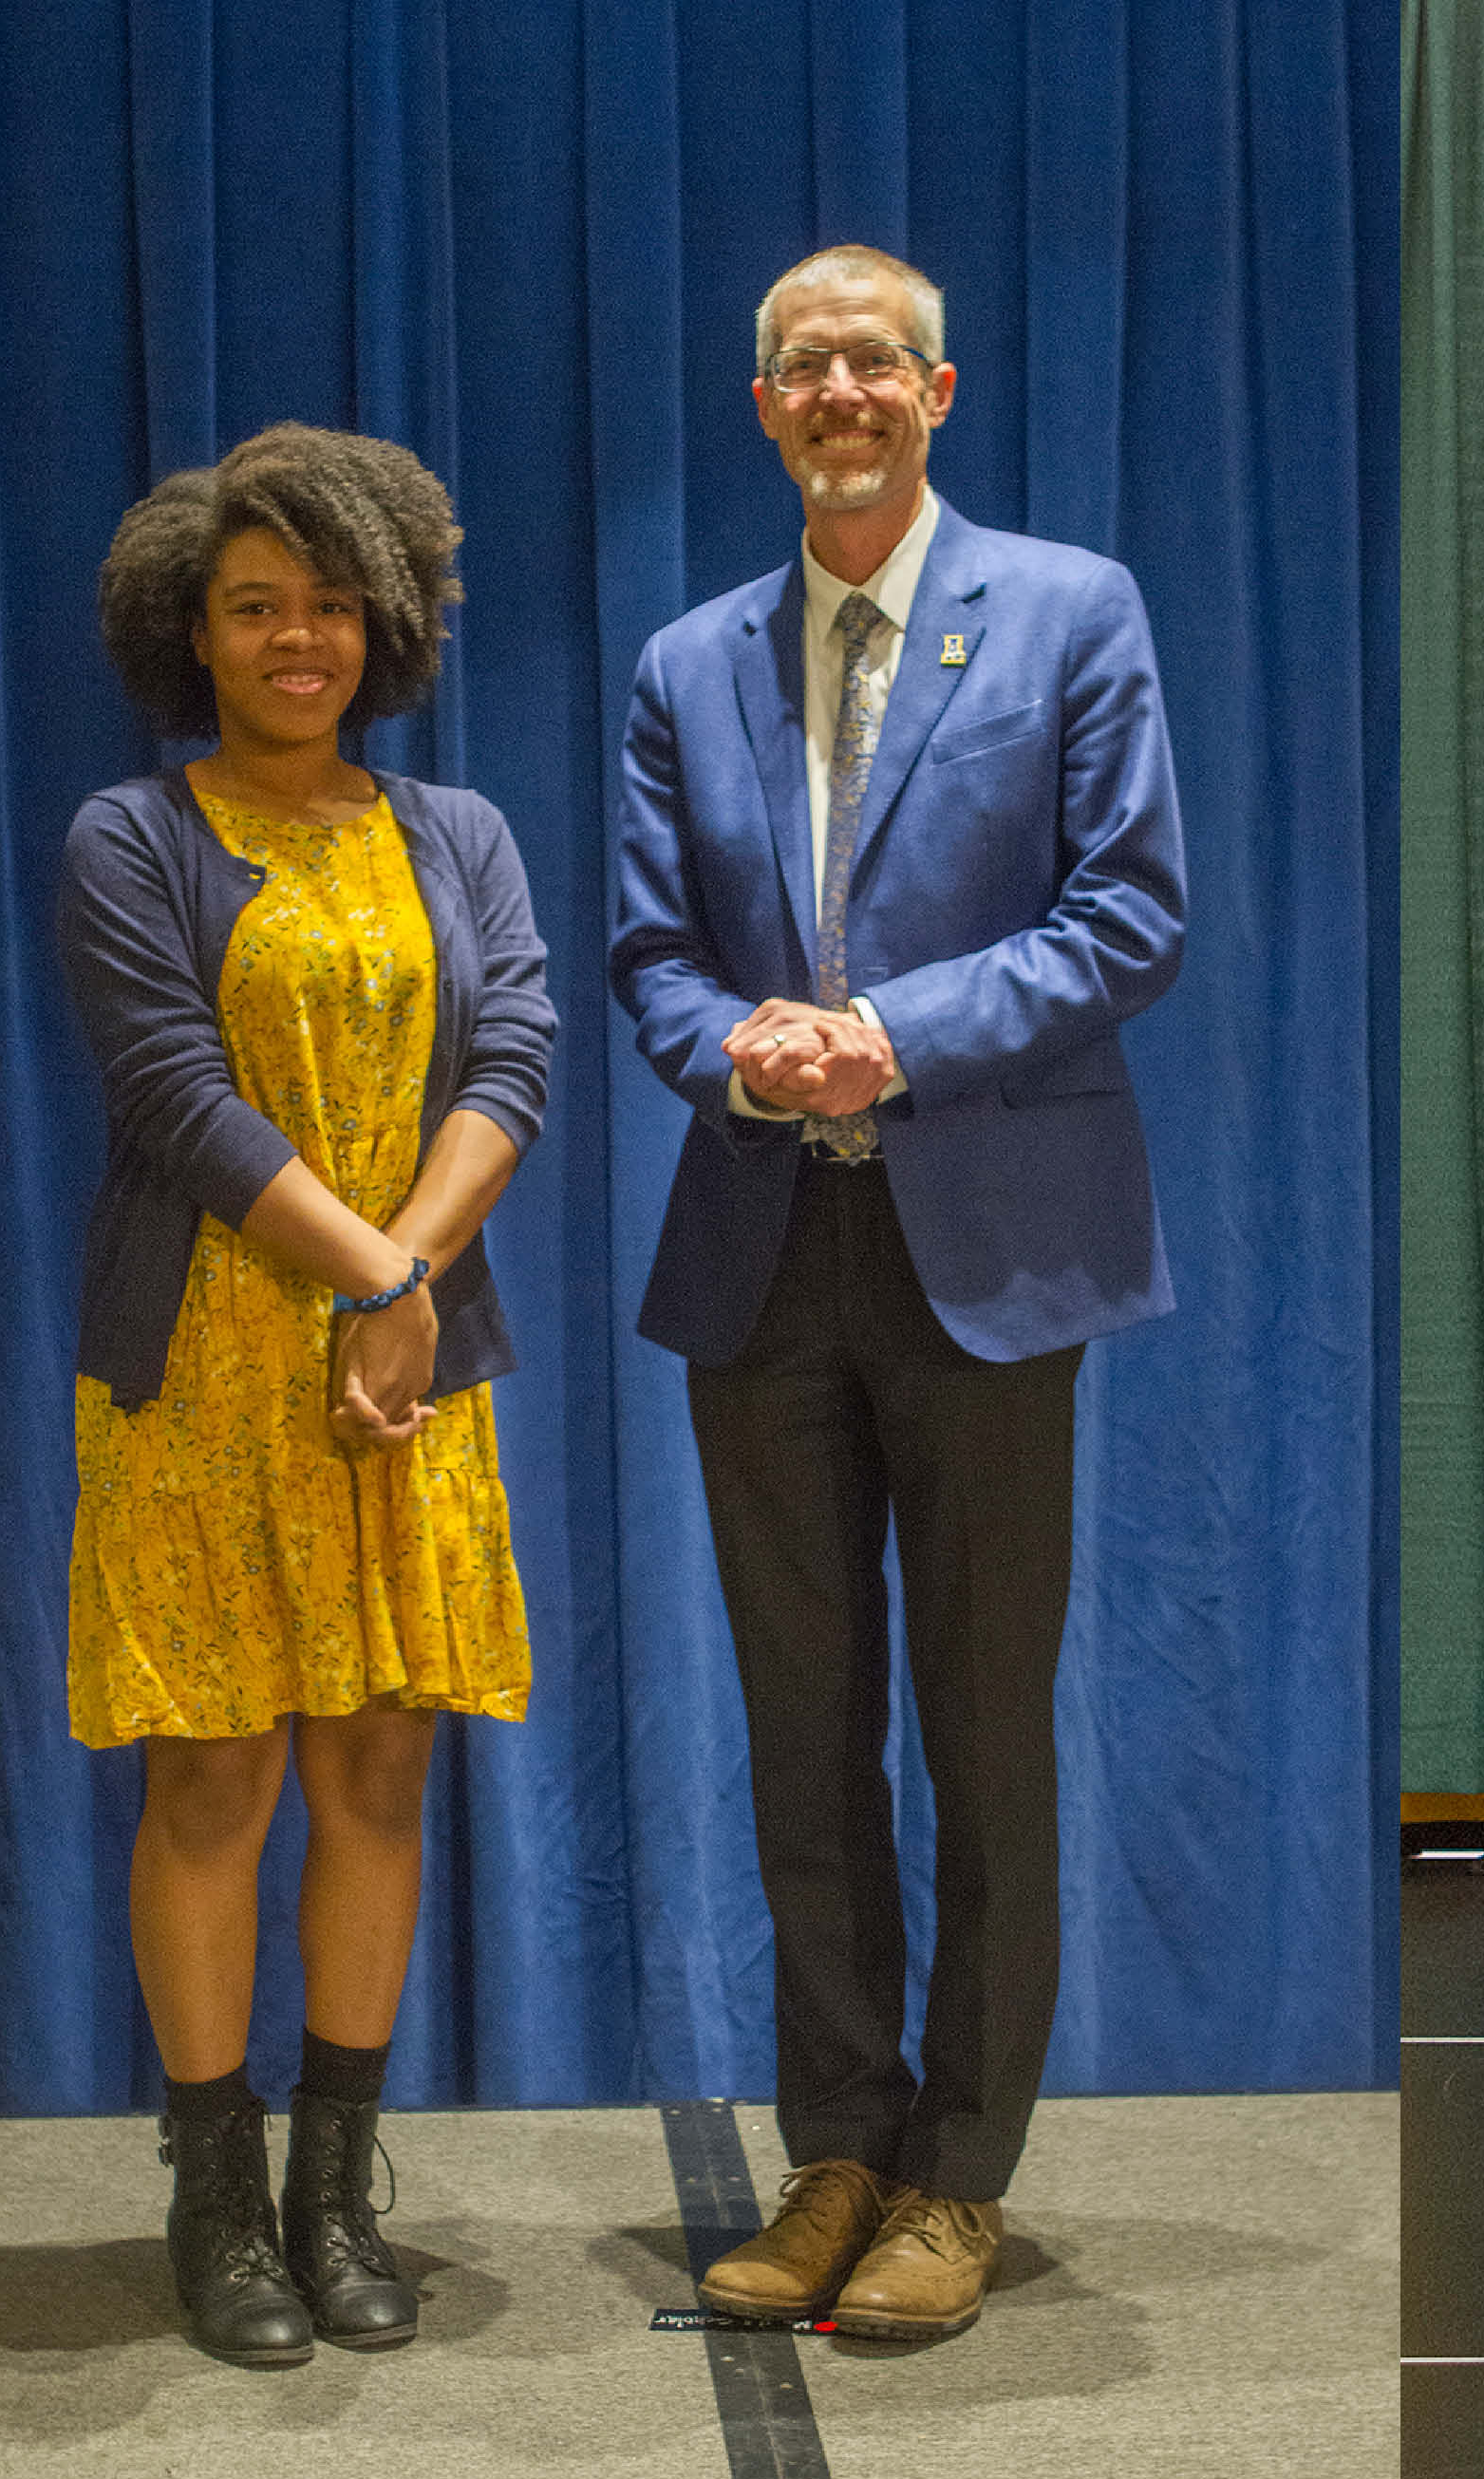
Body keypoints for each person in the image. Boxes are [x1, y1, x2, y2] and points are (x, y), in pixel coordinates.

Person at [611, 242, 1189, 2345]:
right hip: (767, 1248)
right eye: (804, 364)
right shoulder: (688, 658)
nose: (840, 388)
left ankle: (961, 2173)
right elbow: (648, 954)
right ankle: (834, 2144)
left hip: (986, 1248)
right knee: (800, 1733)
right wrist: (737, 1045)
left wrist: (891, 1028)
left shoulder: (1069, 607)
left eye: (875, 359)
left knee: (979, 1728)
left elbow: (1133, 909)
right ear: (760, 405)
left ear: (939, 392)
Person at [63, 422, 554, 2368]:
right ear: (193, 628)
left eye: (330, 602)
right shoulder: (134, 837)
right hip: (200, 1367)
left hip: (404, 1369)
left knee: (377, 1766)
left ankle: (338, 2188)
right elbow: (172, 1093)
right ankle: (217, 2195)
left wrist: (406, 1285)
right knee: (217, 1772)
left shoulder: (463, 831)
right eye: (256, 605)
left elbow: (510, 1049)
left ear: (389, 617)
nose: (297, 638)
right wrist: (375, 1277)